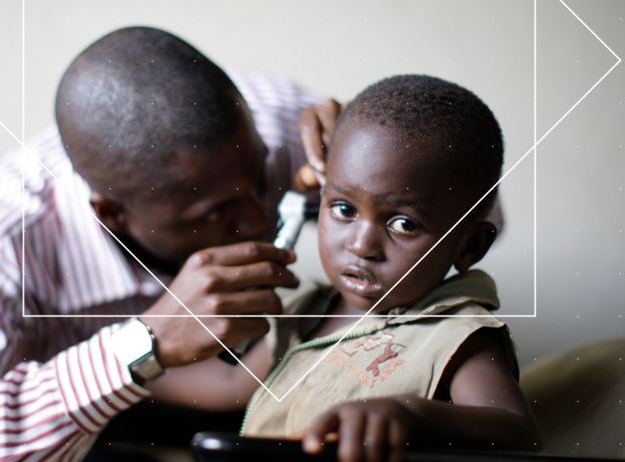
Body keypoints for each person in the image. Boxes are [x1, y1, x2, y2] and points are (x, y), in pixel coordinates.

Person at [0, 26, 337, 460]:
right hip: (80, 423)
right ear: (111, 214)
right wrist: (144, 344)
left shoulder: (281, 124)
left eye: (261, 178)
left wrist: (378, 153)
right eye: (216, 213)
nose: (259, 217)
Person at [154, 74, 540, 461]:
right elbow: (228, 383)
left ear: (469, 246)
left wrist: (409, 414)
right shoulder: (307, 312)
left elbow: (516, 431)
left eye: (404, 224)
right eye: (344, 209)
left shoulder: (455, 333)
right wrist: (125, 365)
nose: (360, 245)